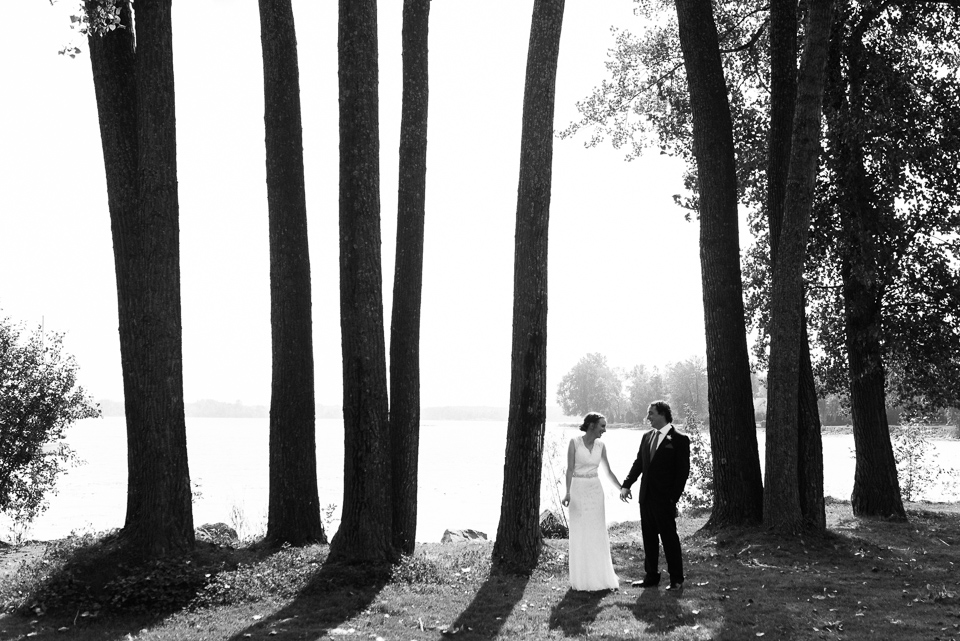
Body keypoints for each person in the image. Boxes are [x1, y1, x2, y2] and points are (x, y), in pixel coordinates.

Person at [619, 400, 690, 591]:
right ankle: (651, 576)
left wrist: (672, 498)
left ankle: (676, 578)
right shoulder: (646, 437)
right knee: (649, 538)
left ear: (662, 414)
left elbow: (683, 472)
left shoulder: (679, 439)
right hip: (646, 498)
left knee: (669, 539)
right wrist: (626, 485)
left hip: (665, 499)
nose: (648, 417)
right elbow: (639, 464)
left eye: (651, 413)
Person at [561, 412, 621, 591]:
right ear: (592, 425)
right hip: (578, 490)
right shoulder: (574, 442)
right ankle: (581, 578)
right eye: (602, 426)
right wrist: (567, 493)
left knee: (596, 532)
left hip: (595, 490)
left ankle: (600, 577)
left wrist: (622, 488)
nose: (604, 430)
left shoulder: (601, 445)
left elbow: (608, 472)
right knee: (580, 532)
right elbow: (570, 469)